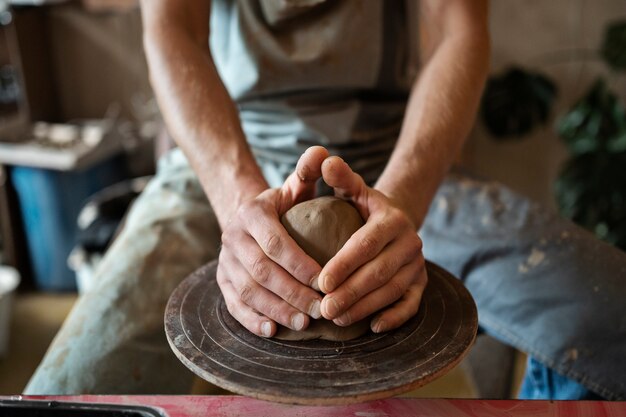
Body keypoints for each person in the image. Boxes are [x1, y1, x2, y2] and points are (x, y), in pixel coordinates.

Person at [25, 0, 625, 400]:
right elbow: (170, 27)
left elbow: (458, 29)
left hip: (393, 156)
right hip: (229, 150)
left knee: (608, 319)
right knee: (71, 389)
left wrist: (404, 199)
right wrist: (239, 205)